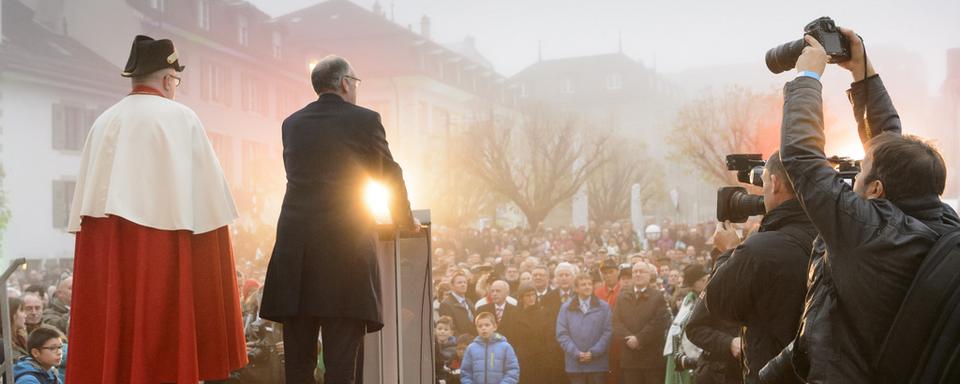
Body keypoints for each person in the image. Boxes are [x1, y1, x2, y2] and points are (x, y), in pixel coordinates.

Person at [760, 28, 960, 383]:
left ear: (878, 189)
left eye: (861, 172)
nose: (851, 178)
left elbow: (802, 159)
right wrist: (862, 71)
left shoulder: (868, 233)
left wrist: (807, 77)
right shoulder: (942, 227)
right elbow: (890, 150)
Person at [66, 35, 246, 383]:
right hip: (167, 242)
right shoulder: (182, 118)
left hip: (111, 245)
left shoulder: (102, 122)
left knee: (114, 317)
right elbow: (208, 209)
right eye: (175, 81)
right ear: (167, 79)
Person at [259, 54, 419, 384]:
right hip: (344, 254)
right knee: (341, 364)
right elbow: (389, 174)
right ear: (345, 83)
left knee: (299, 365)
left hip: (297, 256)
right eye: (355, 82)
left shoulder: (292, 124)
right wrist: (405, 220)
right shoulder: (365, 120)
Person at [699, 151, 816, 383]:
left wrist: (730, 252)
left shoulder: (760, 250)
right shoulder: (836, 235)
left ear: (774, 182)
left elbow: (718, 302)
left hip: (774, 374)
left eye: (762, 184)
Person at [612, 262, 671, 384]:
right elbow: (616, 322)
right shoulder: (622, 297)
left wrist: (639, 339)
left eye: (642, 271)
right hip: (630, 360)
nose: (638, 274)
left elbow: (660, 323)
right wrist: (629, 339)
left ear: (649, 275)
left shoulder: (658, 297)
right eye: (635, 272)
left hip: (651, 360)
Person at [556, 273, 613, 384]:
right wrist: (576, 353)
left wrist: (594, 352)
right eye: (583, 285)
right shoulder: (566, 308)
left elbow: (608, 332)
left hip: (597, 364)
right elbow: (562, 334)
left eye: (589, 284)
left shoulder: (604, 307)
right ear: (576, 289)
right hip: (575, 364)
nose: (587, 287)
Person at [663, 264, 708, 384]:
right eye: (702, 280)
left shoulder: (708, 297)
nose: (706, 281)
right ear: (693, 283)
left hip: (702, 352)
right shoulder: (689, 299)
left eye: (706, 278)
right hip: (683, 350)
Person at [460, 312, 520, 384]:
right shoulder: (471, 348)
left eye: (487, 325)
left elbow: (512, 371)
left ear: (495, 327)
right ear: (476, 329)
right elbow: (465, 373)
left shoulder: (505, 347)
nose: (483, 328)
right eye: (480, 326)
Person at [440, 272, 478, 337]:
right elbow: (450, 328)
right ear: (452, 286)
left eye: (465, 282)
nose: (463, 285)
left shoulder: (469, 301)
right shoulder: (446, 304)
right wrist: (462, 341)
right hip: (460, 343)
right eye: (459, 283)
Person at [435, 316, 458, 384]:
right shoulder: (432, 346)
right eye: (439, 329)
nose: (442, 331)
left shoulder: (455, 349)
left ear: (451, 332)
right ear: (435, 330)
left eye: (446, 329)